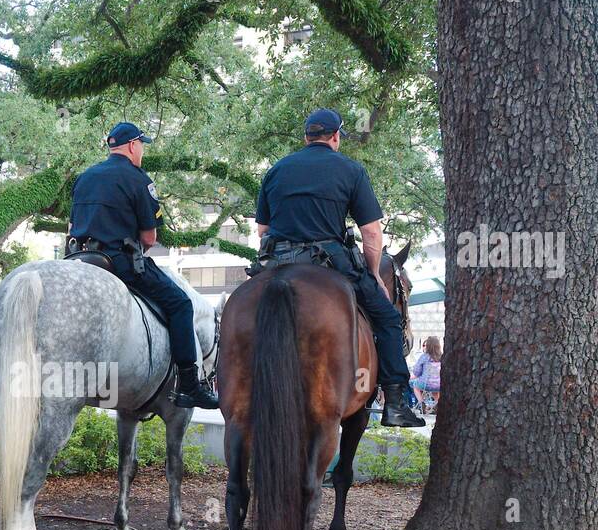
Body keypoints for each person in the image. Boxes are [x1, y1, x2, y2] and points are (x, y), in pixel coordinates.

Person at [256, 109, 425, 428]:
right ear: (335, 137)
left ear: (306, 137)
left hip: (277, 261)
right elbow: (372, 233)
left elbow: (263, 231)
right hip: (329, 262)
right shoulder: (350, 169)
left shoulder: (277, 170)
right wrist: (374, 273)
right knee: (388, 317)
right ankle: (396, 403)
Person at [67, 123, 218, 409]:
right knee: (181, 304)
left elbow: (73, 226)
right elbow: (149, 238)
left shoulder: (85, 177)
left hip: (79, 260)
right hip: (117, 262)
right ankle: (189, 383)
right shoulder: (138, 179)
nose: (143, 151)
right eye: (142, 145)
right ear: (133, 145)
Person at [410, 335, 443, 411]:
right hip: (439, 384)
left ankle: (421, 402)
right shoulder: (441, 357)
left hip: (425, 384)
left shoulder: (424, 357)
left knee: (415, 386)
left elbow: (416, 372)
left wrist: (409, 377)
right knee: (435, 391)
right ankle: (438, 404)